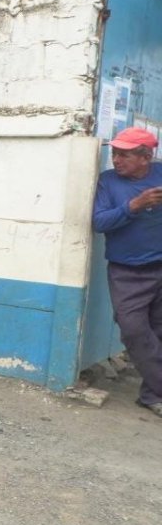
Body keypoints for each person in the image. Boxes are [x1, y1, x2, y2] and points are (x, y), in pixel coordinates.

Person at [92, 126, 162, 418]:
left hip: (160, 267)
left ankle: (151, 395)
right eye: (115, 153)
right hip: (126, 272)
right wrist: (133, 206)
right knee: (133, 330)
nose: (116, 159)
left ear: (146, 157)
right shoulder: (108, 182)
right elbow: (99, 222)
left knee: (158, 331)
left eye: (124, 155)